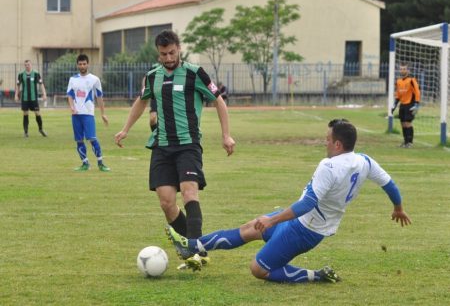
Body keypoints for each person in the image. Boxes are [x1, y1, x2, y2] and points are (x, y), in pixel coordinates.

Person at [166, 119, 411, 282]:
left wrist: (273, 220)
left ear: (337, 144)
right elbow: (389, 184)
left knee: (258, 269)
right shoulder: (365, 161)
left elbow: (308, 204)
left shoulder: (330, 166)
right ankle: (193, 246)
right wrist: (398, 207)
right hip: (301, 220)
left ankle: (316, 276)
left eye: (327, 139)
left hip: (306, 229)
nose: (324, 142)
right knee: (248, 229)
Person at [114, 30, 235, 263]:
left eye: (171, 52)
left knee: (190, 191)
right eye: (163, 54)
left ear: (179, 48)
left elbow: (218, 100)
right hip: (162, 146)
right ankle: (190, 244)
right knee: (167, 202)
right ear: (158, 53)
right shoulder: (153, 76)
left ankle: (196, 253)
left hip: (188, 144)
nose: (168, 58)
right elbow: (141, 101)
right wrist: (125, 129)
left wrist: (226, 135)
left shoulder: (194, 73)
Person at [67, 54, 110, 172]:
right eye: (80, 64)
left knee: (92, 138)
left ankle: (101, 163)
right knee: (79, 140)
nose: (82, 66)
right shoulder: (72, 79)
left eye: (84, 64)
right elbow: (70, 95)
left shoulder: (94, 79)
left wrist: (103, 113)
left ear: (88, 64)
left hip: (88, 114)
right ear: (77, 65)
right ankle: (85, 164)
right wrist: (72, 107)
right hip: (76, 115)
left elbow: (99, 97)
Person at [15, 60, 48, 137]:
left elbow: (41, 84)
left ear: (31, 65)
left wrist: (44, 94)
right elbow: (18, 85)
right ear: (24, 66)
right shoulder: (21, 74)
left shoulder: (36, 73)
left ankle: (41, 129)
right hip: (25, 98)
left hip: (33, 98)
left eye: (28, 64)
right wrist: (16, 95)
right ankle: (26, 132)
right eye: (25, 65)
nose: (27, 66)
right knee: (25, 114)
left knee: (37, 113)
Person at [391, 63, 421, 148]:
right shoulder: (398, 81)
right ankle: (405, 142)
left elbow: (417, 91)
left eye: (404, 69)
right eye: (401, 69)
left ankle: (409, 143)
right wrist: (394, 105)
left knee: (408, 123)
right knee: (403, 123)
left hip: (410, 104)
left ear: (408, 70)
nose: (402, 70)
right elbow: (398, 95)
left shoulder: (412, 80)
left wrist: (417, 103)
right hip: (403, 105)